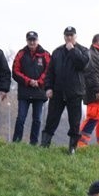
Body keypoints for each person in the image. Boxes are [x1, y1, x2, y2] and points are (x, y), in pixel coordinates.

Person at [41, 26, 89, 154]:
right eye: (67, 35)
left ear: (75, 36)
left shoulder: (83, 50)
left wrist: (73, 50)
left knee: (74, 122)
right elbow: (50, 72)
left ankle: (72, 148)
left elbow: (82, 64)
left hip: (75, 92)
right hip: (57, 91)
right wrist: (48, 87)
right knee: (51, 119)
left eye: (71, 35)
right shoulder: (57, 52)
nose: (69, 37)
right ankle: (44, 145)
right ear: (64, 36)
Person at [11, 31, 49, 145]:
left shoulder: (45, 54)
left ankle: (33, 143)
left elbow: (49, 71)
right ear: (27, 41)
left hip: (39, 92)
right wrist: (28, 81)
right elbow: (15, 71)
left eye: (34, 40)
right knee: (21, 118)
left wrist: (39, 82)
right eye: (30, 40)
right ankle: (16, 142)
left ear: (37, 40)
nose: (32, 42)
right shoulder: (21, 54)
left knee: (37, 119)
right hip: (24, 92)